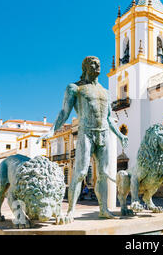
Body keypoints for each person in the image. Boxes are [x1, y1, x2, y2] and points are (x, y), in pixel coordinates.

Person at [43, 56, 128, 221]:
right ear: (85, 68)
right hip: (86, 132)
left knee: (103, 173)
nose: (97, 66)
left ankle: (103, 209)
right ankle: (70, 211)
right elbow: (64, 112)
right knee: (81, 172)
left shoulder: (105, 92)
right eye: (93, 64)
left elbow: (109, 118)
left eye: (98, 64)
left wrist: (120, 135)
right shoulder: (75, 88)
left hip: (103, 133)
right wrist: (52, 130)